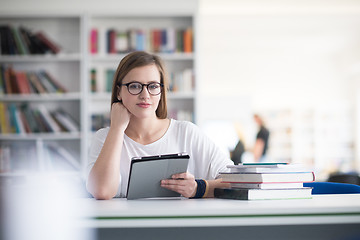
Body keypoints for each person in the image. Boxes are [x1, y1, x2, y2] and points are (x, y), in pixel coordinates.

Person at [86, 51, 233, 200]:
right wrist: (117, 129)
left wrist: (198, 188)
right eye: (135, 86)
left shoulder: (186, 133)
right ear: (119, 92)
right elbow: (102, 191)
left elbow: (236, 181)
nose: (145, 95)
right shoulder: (105, 138)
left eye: (153, 86)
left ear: (161, 91)